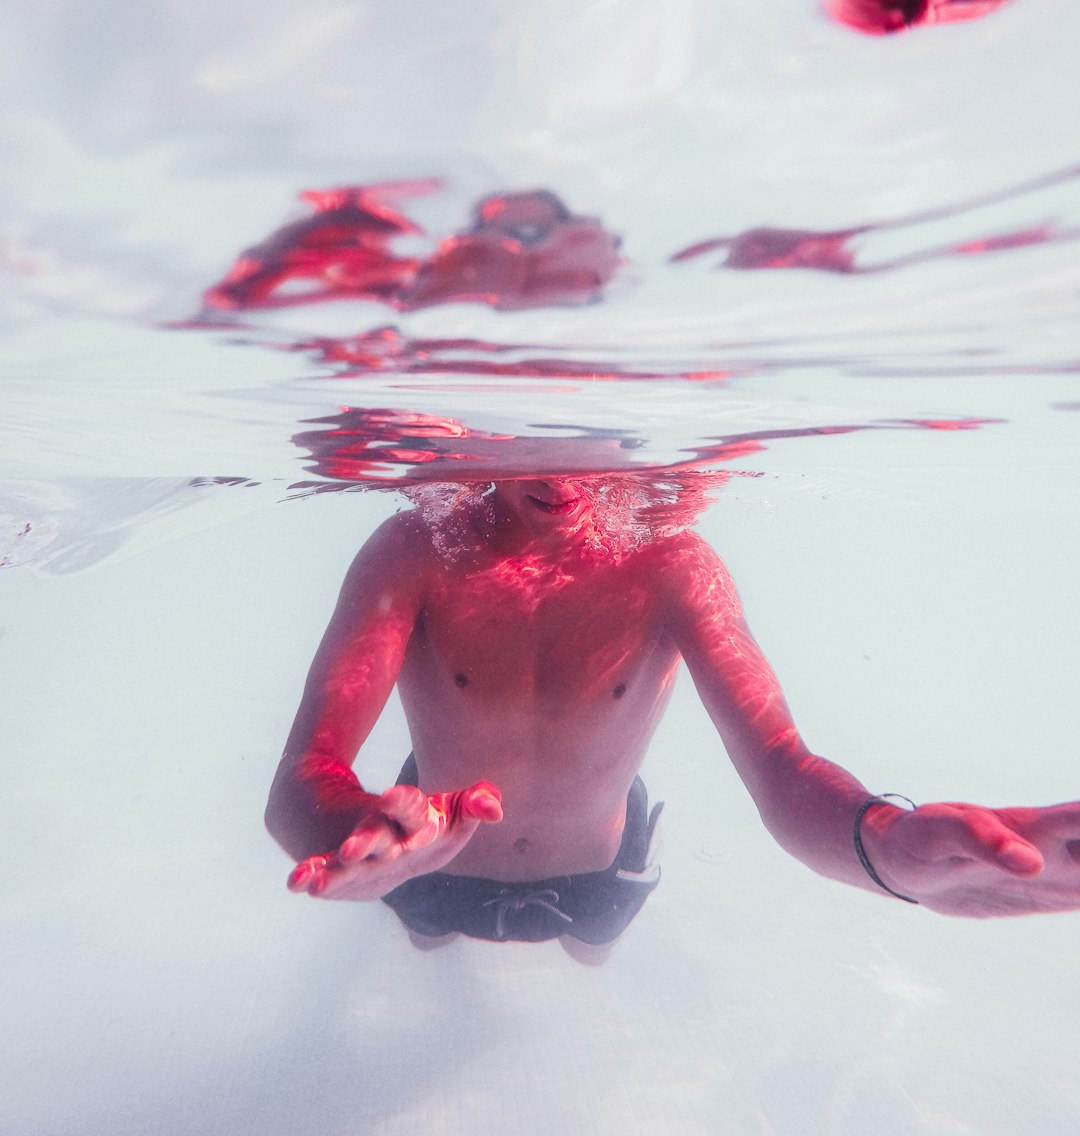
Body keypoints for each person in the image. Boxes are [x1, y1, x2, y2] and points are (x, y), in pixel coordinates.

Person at [266, 477, 1080, 959]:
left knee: (593, 960)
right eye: (529, 426)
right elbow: (306, 775)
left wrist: (881, 848)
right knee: (426, 949)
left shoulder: (673, 567)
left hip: (598, 880)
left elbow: (783, 767)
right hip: (427, 873)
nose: (562, 462)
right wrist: (338, 836)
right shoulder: (418, 551)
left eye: (593, 425)